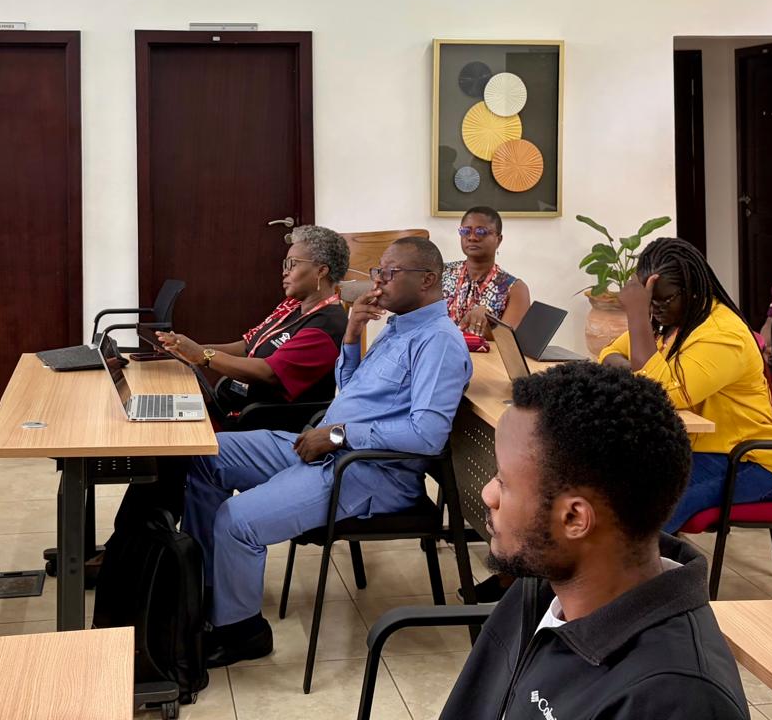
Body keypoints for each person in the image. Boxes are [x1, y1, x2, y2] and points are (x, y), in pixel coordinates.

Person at [182, 236, 472, 667]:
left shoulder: (438, 342)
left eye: (390, 273)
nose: (379, 283)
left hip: (367, 472)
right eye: (378, 272)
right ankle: (211, 590)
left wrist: (337, 436)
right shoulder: (398, 326)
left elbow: (427, 433)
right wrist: (353, 336)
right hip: (327, 445)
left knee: (236, 521)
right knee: (203, 453)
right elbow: (352, 391)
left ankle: (240, 631)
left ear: (428, 280)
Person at [441, 360, 750, 719]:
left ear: (574, 518)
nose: (488, 494)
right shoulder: (544, 584)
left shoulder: (676, 702)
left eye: (504, 483)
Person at [600, 238, 772, 531]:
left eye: (662, 300)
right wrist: (639, 368)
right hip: (697, 447)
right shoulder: (670, 323)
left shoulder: (722, 334)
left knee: (646, 505)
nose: (655, 309)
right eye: (648, 301)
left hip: (749, 460)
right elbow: (609, 354)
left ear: (691, 292)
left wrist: (638, 315)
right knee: (603, 483)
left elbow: (659, 394)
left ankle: (641, 576)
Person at [155, 225, 351, 419]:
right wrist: (185, 349)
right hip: (229, 405)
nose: (284, 272)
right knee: (157, 409)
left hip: (262, 419)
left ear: (321, 271)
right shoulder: (291, 306)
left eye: (292, 264)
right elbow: (247, 346)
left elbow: (269, 372)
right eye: (284, 265)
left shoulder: (327, 326)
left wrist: (204, 356)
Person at [442, 205, 532, 335]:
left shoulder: (514, 288)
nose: (472, 237)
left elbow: (509, 344)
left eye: (481, 232)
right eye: (465, 231)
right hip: (441, 353)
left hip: (485, 355)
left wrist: (490, 323)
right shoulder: (441, 273)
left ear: (498, 240)